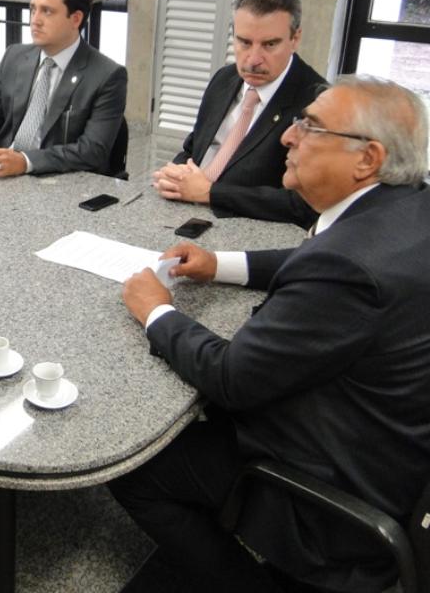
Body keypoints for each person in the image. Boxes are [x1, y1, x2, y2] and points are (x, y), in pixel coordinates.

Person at [114, 77, 430, 592]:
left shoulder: (346, 266)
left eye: (310, 127)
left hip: (336, 490)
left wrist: (158, 312)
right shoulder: (405, 208)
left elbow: (231, 377)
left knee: (139, 468)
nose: (288, 136)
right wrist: (221, 264)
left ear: (367, 159)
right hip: (397, 448)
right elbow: (318, 261)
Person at [152, 0, 324, 227]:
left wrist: (211, 192)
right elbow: (194, 148)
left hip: (248, 227)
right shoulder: (225, 78)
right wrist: (177, 173)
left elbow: (305, 204)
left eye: (270, 45)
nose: (253, 60)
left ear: (295, 39)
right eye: (244, 42)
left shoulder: (317, 103)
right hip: (185, 213)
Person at [0, 0, 127, 177]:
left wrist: (26, 162)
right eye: (33, 9)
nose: (35, 20)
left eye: (47, 11)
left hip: (56, 181)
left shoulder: (107, 75)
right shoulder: (15, 56)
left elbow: (92, 151)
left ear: (75, 19)